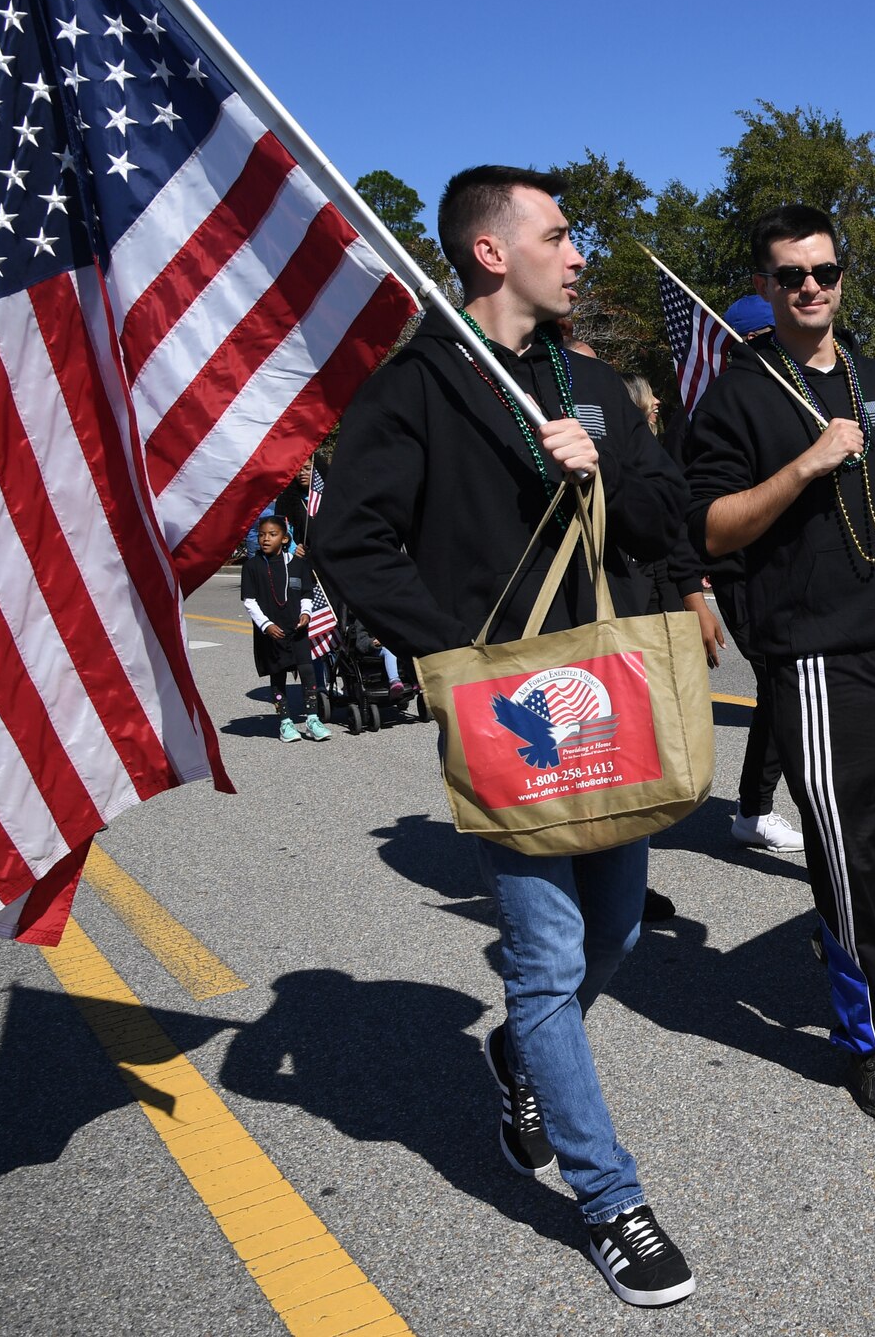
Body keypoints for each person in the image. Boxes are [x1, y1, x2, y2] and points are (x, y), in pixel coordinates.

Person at [314, 165, 696, 1307]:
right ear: (491, 251)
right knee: (544, 957)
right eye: (559, 235)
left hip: (609, 696)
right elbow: (351, 542)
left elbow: (661, 516)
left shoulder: (589, 380)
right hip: (509, 716)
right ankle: (609, 1197)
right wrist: (457, 661)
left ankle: (519, 1057)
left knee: (616, 935)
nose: (579, 255)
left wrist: (607, 470)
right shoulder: (419, 384)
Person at [682, 203, 875, 1120]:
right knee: (847, 859)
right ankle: (870, 1037)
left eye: (824, 271)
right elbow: (711, 524)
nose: (810, 286)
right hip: (810, 659)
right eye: (789, 275)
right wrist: (808, 465)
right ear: (766, 288)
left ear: (843, 276)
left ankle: (853, 938)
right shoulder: (736, 395)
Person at [697, 294, 810, 859]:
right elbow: (692, 512)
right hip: (743, 574)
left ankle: (761, 807)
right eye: (770, 336)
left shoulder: (796, 397)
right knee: (780, 687)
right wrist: (693, 591)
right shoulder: (724, 405)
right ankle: (757, 811)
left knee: (792, 688)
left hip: (795, 572)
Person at [619, 369, 731, 925]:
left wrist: (692, 597)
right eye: (647, 397)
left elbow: (671, 535)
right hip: (614, 614)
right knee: (618, 749)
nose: (659, 400)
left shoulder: (650, 454)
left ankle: (626, 882)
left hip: (655, 605)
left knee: (646, 750)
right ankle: (613, 886)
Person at [240, 515, 330, 743]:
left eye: (272, 534)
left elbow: (307, 592)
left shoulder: (297, 564)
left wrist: (306, 612)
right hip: (272, 632)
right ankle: (285, 722)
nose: (265, 539)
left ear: (284, 538)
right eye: (261, 535)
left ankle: (312, 719)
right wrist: (266, 625)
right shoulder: (252, 566)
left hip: (297, 629)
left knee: (307, 672)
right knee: (278, 675)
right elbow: (249, 601)